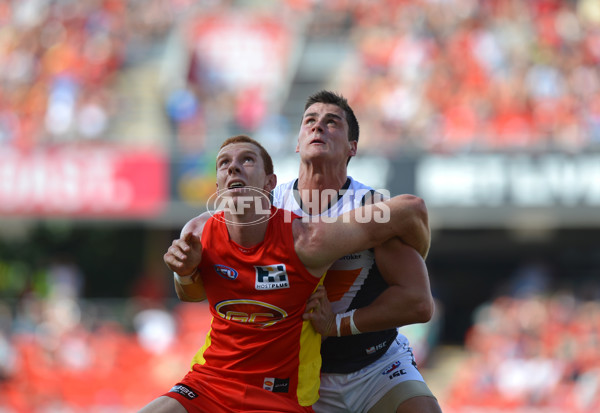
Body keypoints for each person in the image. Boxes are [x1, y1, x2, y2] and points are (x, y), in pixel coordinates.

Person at [139, 135, 431, 413]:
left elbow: (409, 211)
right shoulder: (197, 232)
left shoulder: (309, 239)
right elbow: (190, 295)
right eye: (224, 163)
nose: (234, 167)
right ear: (218, 185)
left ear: (270, 184)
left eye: (247, 160)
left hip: (280, 395)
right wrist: (185, 273)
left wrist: (338, 323)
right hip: (211, 382)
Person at [271, 90, 443, 413]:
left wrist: (336, 325)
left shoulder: (372, 210)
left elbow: (419, 303)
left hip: (375, 367)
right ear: (297, 143)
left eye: (331, 122)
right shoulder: (269, 206)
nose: (318, 127)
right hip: (298, 372)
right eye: (310, 121)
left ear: (352, 147)